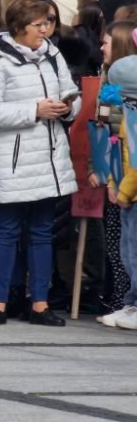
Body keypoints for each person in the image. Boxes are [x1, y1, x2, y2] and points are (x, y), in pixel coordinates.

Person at [0, 0, 81, 327]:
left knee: (41, 232)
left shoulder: (52, 54)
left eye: (48, 22)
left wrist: (68, 108)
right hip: (15, 158)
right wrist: (33, 111)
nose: (46, 29)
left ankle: (39, 303)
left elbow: (70, 92)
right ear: (20, 27)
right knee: (6, 230)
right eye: (40, 24)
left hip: (49, 157)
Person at [93, 22, 137, 323]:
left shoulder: (119, 86)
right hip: (117, 176)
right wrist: (106, 173)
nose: (101, 48)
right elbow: (108, 135)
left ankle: (127, 298)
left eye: (106, 43)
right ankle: (126, 300)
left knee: (130, 246)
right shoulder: (110, 87)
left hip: (127, 182)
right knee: (122, 245)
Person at [104, 55, 137, 330]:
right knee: (128, 253)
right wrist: (112, 184)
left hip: (133, 196)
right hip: (127, 194)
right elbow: (113, 149)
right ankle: (130, 303)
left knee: (134, 254)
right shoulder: (121, 114)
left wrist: (123, 192)